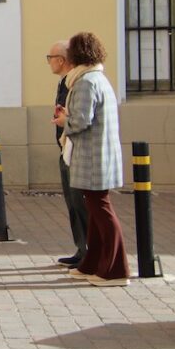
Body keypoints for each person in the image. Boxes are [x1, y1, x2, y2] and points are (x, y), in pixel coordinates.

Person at [53, 32, 129, 287]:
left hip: (93, 157)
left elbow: (81, 121)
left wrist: (65, 120)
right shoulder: (96, 78)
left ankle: (116, 270)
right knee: (95, 213)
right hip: (98, 155)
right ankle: (92, 263)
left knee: (102, 212)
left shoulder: (86, 82)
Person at [47, 40, 87, 268]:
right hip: (64, 148)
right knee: (72, 203)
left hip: (74, 150)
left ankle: (87, 250)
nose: (49, 62)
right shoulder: (65, 81)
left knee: (79, 202)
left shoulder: (75, 83)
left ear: (61, 60)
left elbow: (80, 119)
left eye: (50, 58)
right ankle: (81, 248)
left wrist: (65, 119)